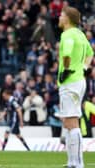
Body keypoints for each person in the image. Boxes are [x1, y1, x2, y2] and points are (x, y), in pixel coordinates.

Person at [57, 6, 94, 168]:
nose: (59, 17)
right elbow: (90, 53)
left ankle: (78, 163)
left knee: (72, 122)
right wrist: (84, 68)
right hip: (78, 80)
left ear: (67, 18)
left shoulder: (67, 35)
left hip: (70, 82)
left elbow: (66, 53)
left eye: (61, 15)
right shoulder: (80, 34)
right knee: (68, 121)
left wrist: (66, 69)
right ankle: (72, 161)